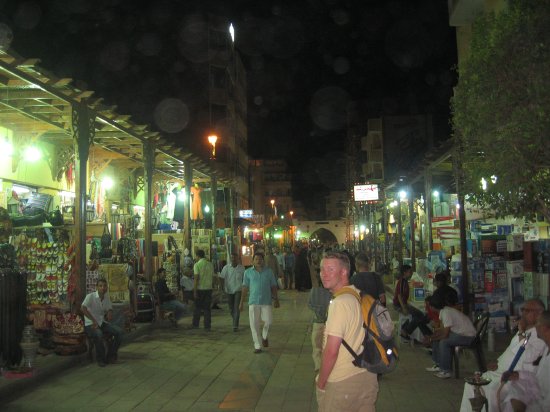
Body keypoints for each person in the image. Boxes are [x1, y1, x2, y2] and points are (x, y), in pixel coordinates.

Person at [316, 251, 378, 412]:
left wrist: (321, 382)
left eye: (330, 269)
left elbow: (331, 350)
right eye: (322, 269)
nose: (323, 274)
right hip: (367, 375)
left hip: (343, 382)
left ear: (344, 272)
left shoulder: (340, 303)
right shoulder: (357, 295)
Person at [459, 299, 547, 412]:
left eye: (527, 310)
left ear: (539, 313)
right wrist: (497, 361)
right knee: (470, 385)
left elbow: (526, 356)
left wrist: (521, 331)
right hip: (499, 370)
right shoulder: (526, 331)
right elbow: (510, 350)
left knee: (489, 390)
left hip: (512, 375)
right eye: (523, 309)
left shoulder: (540, 334)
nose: (523, 313)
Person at [498, 310, 550, 412]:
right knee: (514, 391)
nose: (535, 327)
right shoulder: (547, 350)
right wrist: (518, 375)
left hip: (543, 406)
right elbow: (537, 379)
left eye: (537, 324)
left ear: (544, 329)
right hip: (537, 398)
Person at [423, 295, 476, 379]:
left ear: (433, 307)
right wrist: (431, 337)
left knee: (444, 342)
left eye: (429, 306)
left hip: (468, 336)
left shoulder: (446, 313)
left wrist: (430, 339)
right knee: (437, 338)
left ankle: (446, 371)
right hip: (461, 334)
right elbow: (442, 330)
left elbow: (445, 334)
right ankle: (438, 364)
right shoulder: (444, 311)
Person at [239, 252, 280, 353]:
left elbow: (273, 286)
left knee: (269, 321)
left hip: (266, 301)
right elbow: (244, 287)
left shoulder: (269, 272)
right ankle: (257, 345)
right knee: (254, 324)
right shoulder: (248, 272)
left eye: (260, 259)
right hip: (253, 301)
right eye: (256, 259)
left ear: (263, 260)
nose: (258, 261)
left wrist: (276, 299)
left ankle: (264, 336)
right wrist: (241, 302)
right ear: (252, 261)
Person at [81, 278, 123, 367]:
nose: (103, 288)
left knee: (119, 332)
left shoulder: (106, 298)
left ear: (106, 287)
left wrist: (110, 313)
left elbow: (109, 308)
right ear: (97, 287)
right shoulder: (91, 296)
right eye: (100, 286)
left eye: (104, 286)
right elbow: (83, 308)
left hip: (101, 322)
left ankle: (111, 355)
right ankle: (101, 359)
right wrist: (93, 321)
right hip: (90, 324)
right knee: (99, 334)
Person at [394, 264, 432, 340]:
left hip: (404, 304)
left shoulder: (405, 281)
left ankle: (406, 329)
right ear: (404, 272)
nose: (411, 273)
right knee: (420, 316)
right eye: (410, 272)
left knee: (419, 315)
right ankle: (406, 331)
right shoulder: (402, 282)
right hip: (399, 305)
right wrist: (404, 308)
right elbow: (399, 296)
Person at [308, 284, 332, 372]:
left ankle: (318, 366)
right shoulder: (332, 291)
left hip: (317, 322)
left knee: (316, 346)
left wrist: (317, 310)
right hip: (329, 323)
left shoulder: (313, 291)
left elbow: (309, 304)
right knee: (328, 346)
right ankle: (327, 366)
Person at [219, 252, 245, 332]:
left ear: (238, 259)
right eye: (232, 258)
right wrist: (222, 288)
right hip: (229, 290)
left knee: (236, 308)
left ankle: (235, 325)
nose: (233, 259)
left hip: (238, 290)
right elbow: (222, 278)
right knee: (231, 308)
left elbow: (244, 280)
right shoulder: (226, 268)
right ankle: (235, 319)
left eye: (235, 258)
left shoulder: (242, 268)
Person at [192, 249, 214, 330]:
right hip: (208, 289)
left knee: (197, 308)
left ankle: (195, 324)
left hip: (200, 289)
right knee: (207, 309)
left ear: (197, 256)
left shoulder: (197, 265)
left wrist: (194, 291)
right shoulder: (210, 264)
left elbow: (196, 279)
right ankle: (207, 326)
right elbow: (212, 277)